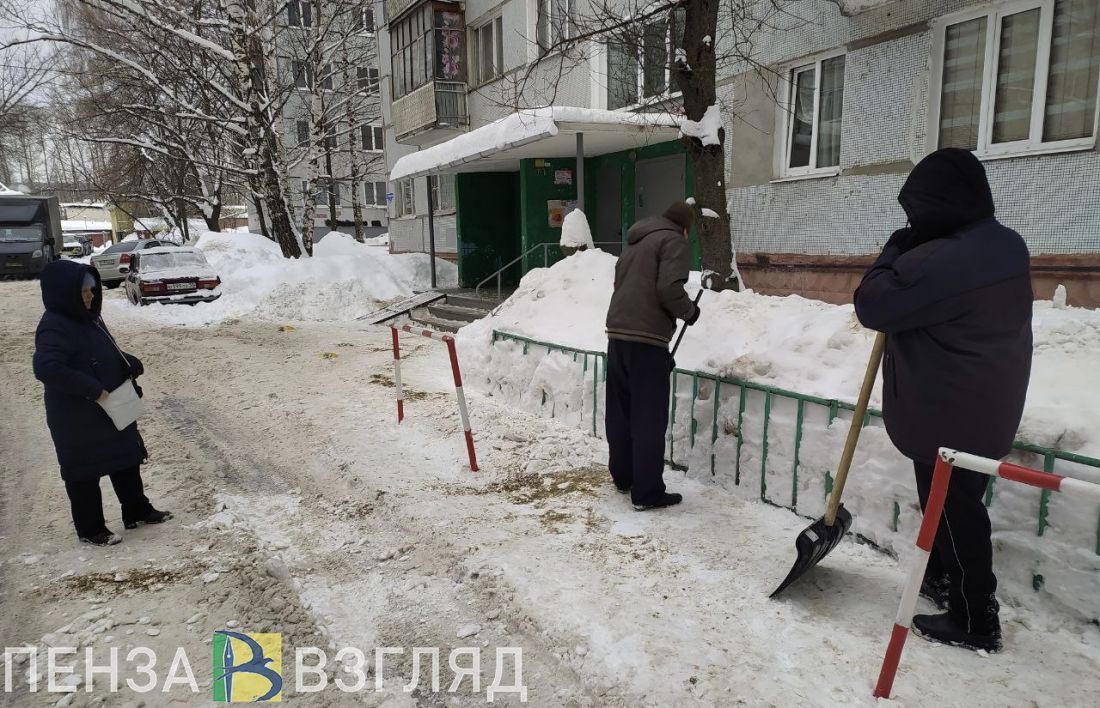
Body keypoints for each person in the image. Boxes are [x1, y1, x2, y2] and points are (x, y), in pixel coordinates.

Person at [854, 148, 1033, 652]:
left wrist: (897, 246)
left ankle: (977, 617)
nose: (912, 221)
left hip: (951, 410)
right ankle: (943, 579)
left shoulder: (948, 258)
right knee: (952, 504)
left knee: (958, 511)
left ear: (943, 205)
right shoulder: (1005, 244)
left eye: (917, 211)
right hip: (980, 401)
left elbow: (873, 303)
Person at [33, 260, 172, 546]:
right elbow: (46, 367)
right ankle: (91, 529)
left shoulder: (90, 317)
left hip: (109, 407)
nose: (91, 295)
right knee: (83, 471)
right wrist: (93, 389)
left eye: (92, 289)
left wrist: (126, 363)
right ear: (65, 293)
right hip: (77, 416)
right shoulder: (54, 325)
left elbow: (101, 350)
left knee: (125, 459)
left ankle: (136, 510)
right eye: (84, 290)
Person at [604, 201, 701, 511]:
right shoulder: (674, 240)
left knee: (621, 411)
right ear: (685, 228)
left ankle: (623, 477)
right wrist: (689, 311)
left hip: (618, 335)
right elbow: (669, 288)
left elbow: (622, 284)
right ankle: (647, 493)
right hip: (647, 341)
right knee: (648, 417)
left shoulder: (636, 242)